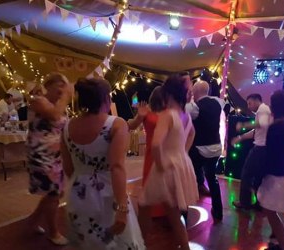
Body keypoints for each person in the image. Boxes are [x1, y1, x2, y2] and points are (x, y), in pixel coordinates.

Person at [60, 78, 145, 249]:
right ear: (105, 99)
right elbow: (117, 167)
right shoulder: (115, 124)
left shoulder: (67, 127)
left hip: (78, 193)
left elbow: (68, 168)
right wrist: (122, 208)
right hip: (108, 195)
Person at [140, 74, 198, 250]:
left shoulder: (167, 115)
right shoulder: (185, 115)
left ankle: (140, 244)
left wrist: (159, 165)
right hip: (181, 163)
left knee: (143, 205)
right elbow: (192, 134)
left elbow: (156, 144)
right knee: (173, 214)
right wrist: (183, 153)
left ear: (167, 93)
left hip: (166, 166)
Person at [26, 72, 72, 245]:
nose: (62, 89)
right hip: (41, 155)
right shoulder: (38, 101)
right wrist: (66, 96)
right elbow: (53, 115)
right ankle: (53, 232)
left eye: (65, 85)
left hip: (55, 155)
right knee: (53, 193)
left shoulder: (58, 105)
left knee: (56, 192)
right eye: (59, 85)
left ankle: (32, 221)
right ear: (49, 85)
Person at [257, 90, 284, 250]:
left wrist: (261, 174)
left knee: (269, 208)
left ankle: (283, 245)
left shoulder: (277, 127)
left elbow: (270, 154)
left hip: (276, 175)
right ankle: (275, 240)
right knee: (273, 207)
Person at [127, 86, 166, 238]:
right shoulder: (147, 111)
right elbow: (131, 126)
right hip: (151, 155)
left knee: (164, 182)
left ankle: (164, 211)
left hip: (165, 153)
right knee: (151, 183)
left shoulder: (169, 113)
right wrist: (139, 116)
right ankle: (152, 214)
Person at [189, 80, 224, 223]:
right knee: (213, 179)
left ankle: (185, 207)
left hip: (200, 148)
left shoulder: (194, 107)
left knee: (189, 170)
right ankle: (218, 211)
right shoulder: (218, 102)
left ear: (195, 93)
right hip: (216, 148)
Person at [231, 93, 272, 210]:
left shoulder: (262, 109)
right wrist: (241, 137)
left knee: (246, 174)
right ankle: (260, 204)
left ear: (256, 101)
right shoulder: (264, 110)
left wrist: (244, 125)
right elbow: (257, 131)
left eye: (249, 103)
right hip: (263, 148)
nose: (248, 106)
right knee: (258, 178)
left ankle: (245, 202)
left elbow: (262, 124)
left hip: (259, 148)